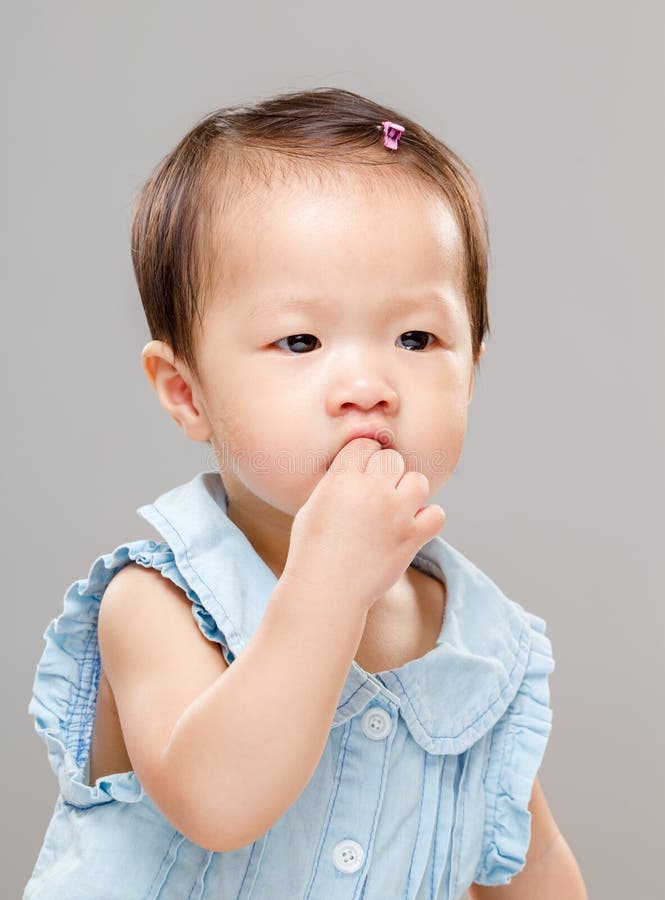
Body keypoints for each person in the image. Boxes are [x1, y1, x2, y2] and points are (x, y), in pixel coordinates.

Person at [24, 86, 587, 899]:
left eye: (416, 337)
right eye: (299, 340)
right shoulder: (156, 604)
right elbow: (217, 805)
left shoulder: (479, 648)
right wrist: (328, 585)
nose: (367, 386)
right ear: (185, 392)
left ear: (471, 369)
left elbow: (532, 865)